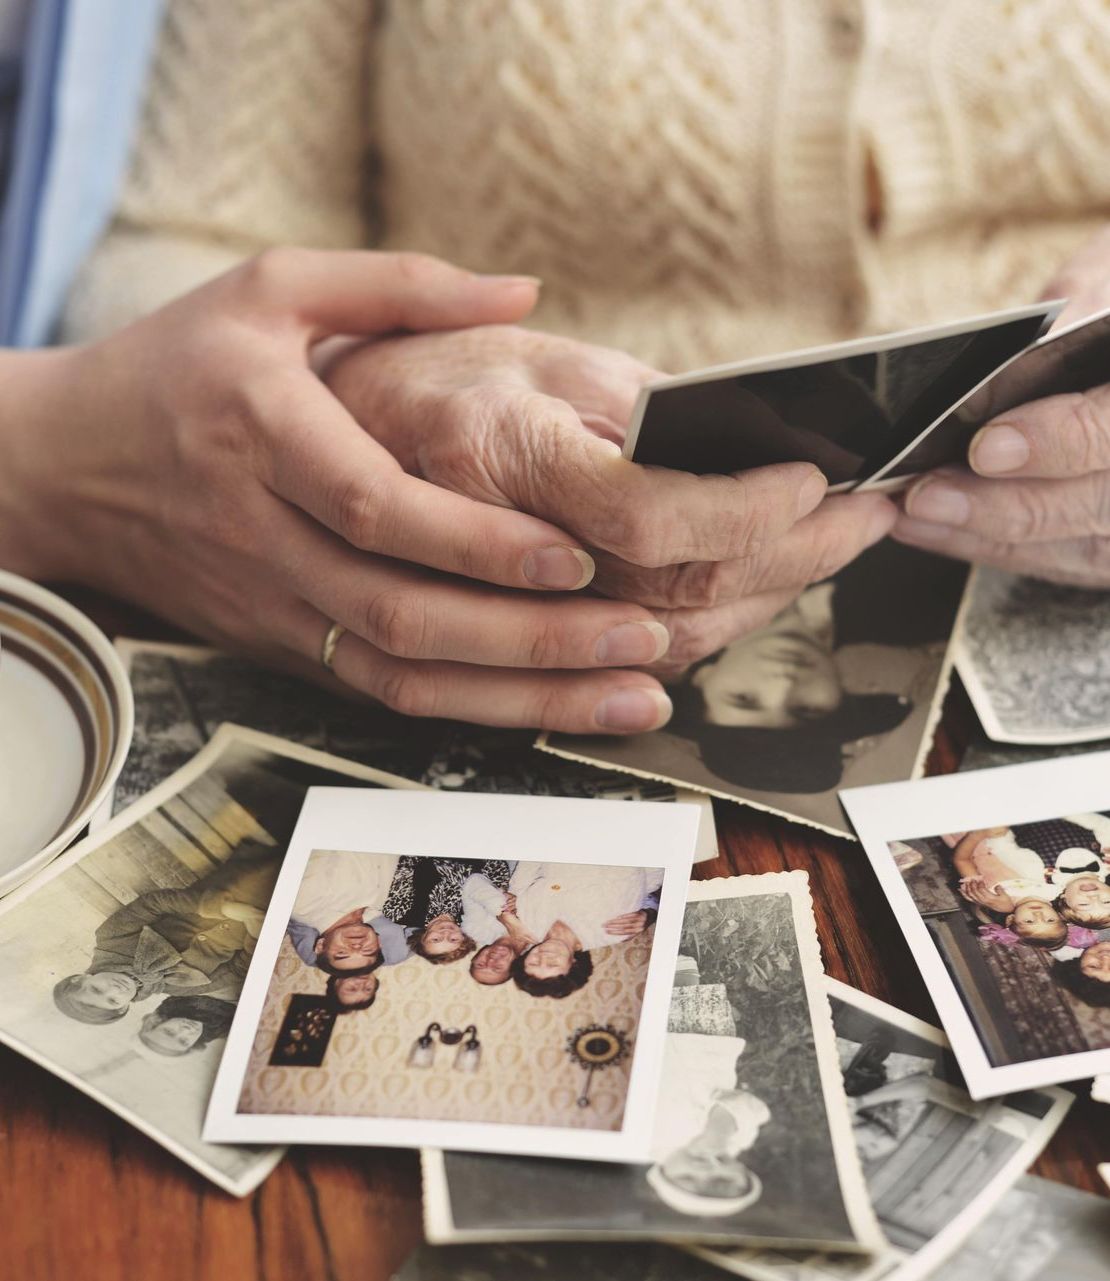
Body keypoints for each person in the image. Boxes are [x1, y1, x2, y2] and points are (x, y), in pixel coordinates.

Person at [664, 540, 965, 794]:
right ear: (841, 693)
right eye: (807, 709)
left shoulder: (683, 567)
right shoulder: (924, 607)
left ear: (703, 678)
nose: (784, 684)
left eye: (744, 698)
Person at [53, 844, 277, 1024]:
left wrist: (222, 908)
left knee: (274, 873)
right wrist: (257, 935)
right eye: (112, 1000)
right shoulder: (180, 987)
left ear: (81, 978)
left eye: (97, 989)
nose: (113, 989)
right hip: (266, 924)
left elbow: (154, 904)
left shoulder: (111, 939)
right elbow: (239, 969)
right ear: (123, 1007)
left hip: (228, 894)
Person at [645, 1032, 769, 1217]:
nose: (704, 1170)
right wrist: (719, 1133)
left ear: (662, 1172)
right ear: (743, 1171)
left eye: (686, 1177)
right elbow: (750, 1106)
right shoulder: (737, 1140)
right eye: (722, 1180)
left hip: (650, 1045)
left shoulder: (645, 1146)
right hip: (708, 1041)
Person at [499, 862, 662, 998]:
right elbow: (628, 870)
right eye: (552, 964)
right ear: (573, 965)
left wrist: (510, 897)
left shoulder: (528, 922)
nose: (544, 957)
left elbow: (524, 875)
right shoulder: (613, 930)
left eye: (534, 962)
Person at [287, 849, 404, 974]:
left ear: (320, 946)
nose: (357, 947)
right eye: (368, 951)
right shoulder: (383, 906)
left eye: (342, 953)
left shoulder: (302, 904)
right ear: (379, 943)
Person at [380, 857, 512, 964]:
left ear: (422, 938)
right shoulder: (472, 918)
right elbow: (498, 873)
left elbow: (406, 864)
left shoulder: (400, 913)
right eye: (453, 940)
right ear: (463, 938)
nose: (446, 933)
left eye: (436, 939)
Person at [137, 995, 235, 1056]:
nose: (186, 1030)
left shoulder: (180, 996)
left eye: (169, 1031)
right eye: (184, 1041)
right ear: (194, 1045)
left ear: (158, 1022)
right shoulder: (228, 1028)